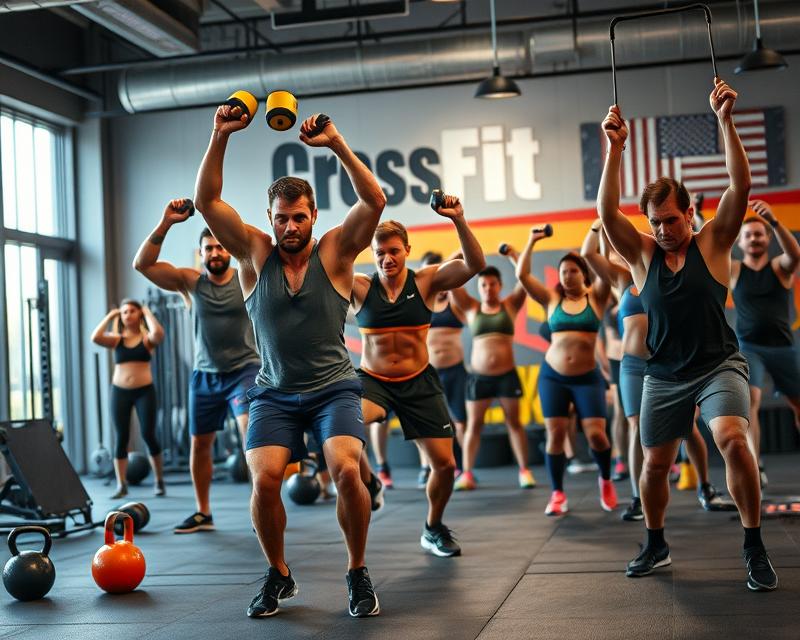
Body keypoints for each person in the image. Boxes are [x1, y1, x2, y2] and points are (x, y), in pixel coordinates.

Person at [194, 102, 387, 617]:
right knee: (264, 481)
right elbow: (206, 201)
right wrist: (220, 135)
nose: (290, 227)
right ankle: (278, 573)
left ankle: (356, 571)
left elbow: (374, 200)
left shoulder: (336, 254)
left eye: (299, 217)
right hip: (275, 391)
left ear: (313, 216)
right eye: (282, 219)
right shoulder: (255, 255)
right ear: (270, 220)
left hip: (333, 389)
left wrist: (337, 143)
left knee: (347, 472)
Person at [598, 78, 777, 591]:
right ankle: (655, 543)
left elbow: (739, 187)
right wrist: (616, 149)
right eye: (655, 222)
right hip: (664, 373)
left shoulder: (714, 242)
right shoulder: (641, 256)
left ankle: (753, 544)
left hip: (719, 365)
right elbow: (607, 214)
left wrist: (725, 121)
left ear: (690, 213)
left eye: (671, 220)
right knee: (655, 464)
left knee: (732, 441)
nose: (662, 230)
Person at [353, 206, 485, 557]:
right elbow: (319, 269)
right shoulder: (360, 287)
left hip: (418, 381)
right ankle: (369, 479)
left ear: (407, 250)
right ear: (372, 254)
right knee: (344, 427)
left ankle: (433, 527)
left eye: (394, 251)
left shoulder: (426, 280)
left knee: (445, 465)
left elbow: (474, 264)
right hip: (374, 380)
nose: (387, 259)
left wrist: (459, 218)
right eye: (380, 253)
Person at [134, 201, 263, 533]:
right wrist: (165, 222)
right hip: (205, 375)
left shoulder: (246, 276)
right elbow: (142, 264)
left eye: (220, 246)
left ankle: (262, 503)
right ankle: (203, 512)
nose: (215, 252)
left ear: (228, 249)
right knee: (199, 444)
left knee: (251, 428)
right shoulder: (190, 283)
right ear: (201, 253)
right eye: (209, 248)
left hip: (244, 370)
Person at [582, 224, 725, 522]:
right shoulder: (623, 279)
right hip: (634, 365)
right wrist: (599, 224)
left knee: (688, 428)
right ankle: (637, 496)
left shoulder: (670, 274)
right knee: (636, 427)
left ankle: (705, 487)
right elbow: (588, 254)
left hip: (671, 363)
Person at [516, 226, 616, 516]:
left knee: (597, 435)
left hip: (587, 378)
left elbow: (605, 266)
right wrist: (532, 239)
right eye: (563, 271)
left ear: (583, 274)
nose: (566, 275)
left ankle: (606, 479)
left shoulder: (596, 297)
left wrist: (601, 231)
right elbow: (523, 276)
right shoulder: (551, 300)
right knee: (555, 435)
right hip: (553, 376)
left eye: (572, 270)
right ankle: (558, 493)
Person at [731, 199, 800, 487]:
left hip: (782, 348)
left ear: (768, 239)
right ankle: (755, 467)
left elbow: (795, 254)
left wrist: (773, 220)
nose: (754, 238)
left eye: (760, 234)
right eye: (748, 235)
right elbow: (711, 251)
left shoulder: (779, 268)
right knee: (751, 403)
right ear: (741, 242)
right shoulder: (734, 270)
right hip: (750, 348)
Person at [451, 256, 535, 490]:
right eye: (484, 285)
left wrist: (515, 255)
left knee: (515, 423)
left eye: (492, 284)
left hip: (506, 376)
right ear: (479, 287)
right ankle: (467, 474)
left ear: (499, 285)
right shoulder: (471, 308)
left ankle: (524, 471)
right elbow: (452, 284)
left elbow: (524, 279)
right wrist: (458, 258)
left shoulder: (510, 305)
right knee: (473, 426)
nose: (488, 289)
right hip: (479, 378)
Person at [91, 300, 165, 498]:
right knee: (121, 437)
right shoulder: (117, 339)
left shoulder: (146, 339)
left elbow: (159, 334)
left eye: (132, 311)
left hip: (144, 391)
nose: (128, 314)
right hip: (120, 392)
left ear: (139, 313)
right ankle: (121, 484)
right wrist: (111, 315)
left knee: (149, 435)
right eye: (124, 312)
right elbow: (95, 337)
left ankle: (158, 480)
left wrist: (147, 312)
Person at [421, 250, 469, 483]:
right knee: (427, 422)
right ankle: (427, 468)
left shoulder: (454, 300)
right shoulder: (421, 301)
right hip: (428, 372)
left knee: (460, 421)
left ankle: (465, 469)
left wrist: (450, 263)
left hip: (455, 370)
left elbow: (454, 274)